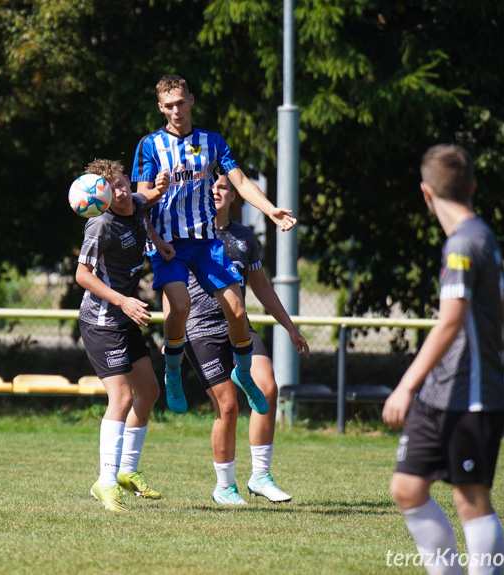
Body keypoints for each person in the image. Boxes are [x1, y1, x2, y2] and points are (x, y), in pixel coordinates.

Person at [382, 145, 504, 575]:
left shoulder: (464, 243)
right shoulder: (479, 235)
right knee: (406, 488)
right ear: (472, 187)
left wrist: (405, 386)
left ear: (426, 193)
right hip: (442, 392)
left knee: (471, 497)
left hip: (471, 395)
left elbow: (450, 321)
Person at [132, 74, 296, 417]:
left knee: (237, 311)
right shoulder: (150, 146)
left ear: (191, 100)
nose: (176, 111)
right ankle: (173, 372)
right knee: (180, 307)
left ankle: (244, 372)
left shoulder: (213, 142)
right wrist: (156, 197)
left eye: (181, 102)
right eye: (169, 106)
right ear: (161, 109)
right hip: (169, 245)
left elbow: (239, 180)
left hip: (207, 242)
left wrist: (270, 209)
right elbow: (139, 200)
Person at [181, 173, 309, 505]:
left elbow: (262, 287)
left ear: (234, 195)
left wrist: (290, 328)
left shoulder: (243, 236)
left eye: (223, 186)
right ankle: (224, 487)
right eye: (210, 187)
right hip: (201, 329)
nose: (216, 191)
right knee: (228, 407)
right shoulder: (187, 233)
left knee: (267, 387)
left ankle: (260, 476)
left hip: (239, 327)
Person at [76, 159, 172, 512]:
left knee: (148, 391)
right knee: (120, 399)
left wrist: (158, 238)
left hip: (126, 316)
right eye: (111, 187)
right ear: (100, 193)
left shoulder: (136, 203)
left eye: (122, 183)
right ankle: (105, 482)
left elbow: (148, 199)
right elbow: (82, 276)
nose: (119, 191)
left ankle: (127, 472)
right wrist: (122, 301)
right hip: (103, 320)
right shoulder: (99, 225)